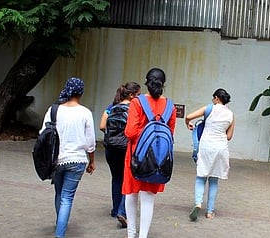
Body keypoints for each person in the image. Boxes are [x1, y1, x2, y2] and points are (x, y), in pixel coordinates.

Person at [123, 68, 176, 238]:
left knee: (131, 195)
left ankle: (131, 234)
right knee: (148, 199)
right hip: (158, 160)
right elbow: (170, 134)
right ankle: (143, 236)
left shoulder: (137, 103)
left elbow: (130, 132)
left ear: (146, 82)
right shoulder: (170, 106)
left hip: (135, 157)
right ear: (163, 84)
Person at [40, 77, 96, 238]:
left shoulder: (53, 110)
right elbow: (90, 142)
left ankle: (60, 224)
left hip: (56, 160)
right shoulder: (85, 112)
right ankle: (60, 233)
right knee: (67, 197)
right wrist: (92, 161)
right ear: (81, 93)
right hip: (77, 161)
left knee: (59, 194)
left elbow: (42, 134)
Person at [185, 88, 235, 221]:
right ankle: (210, 212)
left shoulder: (209, 108)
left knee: (201, 176)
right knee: (214, 179)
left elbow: (189, 116)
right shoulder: (231, 114)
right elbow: (229, 136)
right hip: (221, 147)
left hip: (207, 145)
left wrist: (188, 124)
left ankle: (197, 203)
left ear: (217, 98)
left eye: (213, 98)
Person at [99, 82, 141, 228]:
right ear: (131, 95)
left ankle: (115, 209)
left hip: (110, 149)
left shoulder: (112, 107)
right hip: (125, 148)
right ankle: (122, 212)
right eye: (138, 95)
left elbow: (102, 126)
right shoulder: (134, 109)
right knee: (127, 180)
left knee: (116, 179)